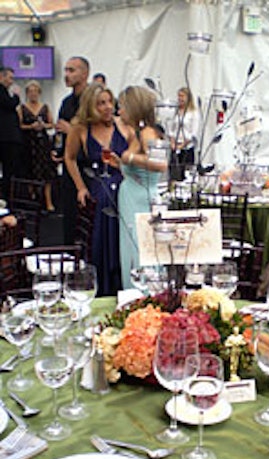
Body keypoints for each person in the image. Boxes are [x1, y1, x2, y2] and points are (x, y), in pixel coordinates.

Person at [64, 83, 131, 296]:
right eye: (101, 103)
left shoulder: (122, 125)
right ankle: (103, 285)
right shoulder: (80, 129)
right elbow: (70, 157)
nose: (108, 107)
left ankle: (124, 282)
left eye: (110, 101)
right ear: (91, 106)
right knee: (101, 204)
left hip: (123, 184)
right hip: (98, 187)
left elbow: (135, 159)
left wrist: (122, 164)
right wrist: (80, 187)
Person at [118, 86, 168, 289]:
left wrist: (129, 157)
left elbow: (160, 163)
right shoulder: (137, 134)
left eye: (122, 107)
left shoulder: (148, 132)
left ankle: (144, 293)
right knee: (133, 248)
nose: (119, 112)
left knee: (141, 249)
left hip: (141, 201)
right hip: (132, 198)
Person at [54, 56, 90, 243]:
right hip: (69, 166)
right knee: (69, 219)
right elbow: (60, 131)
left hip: (89, 168)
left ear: (85, 73)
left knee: (87, 221)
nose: (66, 75)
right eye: (66, 70)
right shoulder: (66, 102)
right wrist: (58, 151)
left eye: (71, 70)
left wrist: (73, 131)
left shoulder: (93, 101)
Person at [17, 80, 57, 212]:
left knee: (46, 172)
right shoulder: (21, 108)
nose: (33, 94)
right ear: (27, 93)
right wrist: (31, 127)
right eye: (30, 92)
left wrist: (43, 126)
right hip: (28, 143)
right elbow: (19, 126)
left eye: (35, 91)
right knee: (30, 171)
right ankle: (33, 198)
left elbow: (52, 124)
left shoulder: (45, 107)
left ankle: (49, 201)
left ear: (39, 93)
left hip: (43, 144)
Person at [0, 66, 23, 201]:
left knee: (10, 170)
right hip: (6, 138)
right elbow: (9, 104)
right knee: (9, 169)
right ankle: (8, 198)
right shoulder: (2, 93)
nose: (11, 81)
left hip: (7, 137)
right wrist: (16, 96)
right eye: (10, 78)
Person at [169, 87, 199, 181]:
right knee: (174, 173)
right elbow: (172, 129)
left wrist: (182, 145)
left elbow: (193, 133)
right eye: (178, 96)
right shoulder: (176, 111)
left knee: (186, 174)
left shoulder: (193, 113)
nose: (180, 98)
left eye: (182, 96)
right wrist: (173, 142)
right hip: (175, 146)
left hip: (187, 148)